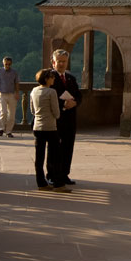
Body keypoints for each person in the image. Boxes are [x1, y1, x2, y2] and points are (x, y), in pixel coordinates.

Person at [30, 68, 72, 193]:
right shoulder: (51, 92)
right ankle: (59, 184)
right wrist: (63, 107)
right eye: (52, 77)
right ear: (47, 79)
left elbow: (32, 110)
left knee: (39, 156)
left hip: (37, 127)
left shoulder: (34, 91)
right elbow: (56, 113)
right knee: (55, 156)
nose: (54, 79)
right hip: (50, 127)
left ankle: (41, 183)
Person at [47, 48, 82, 186]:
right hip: (56, 118)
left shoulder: (70, 78)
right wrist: (63, 103)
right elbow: (47, 96)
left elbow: (79, 95)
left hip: (70, 118)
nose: (62, 64)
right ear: (53, 62)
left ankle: (64, 174)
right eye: (59, 61)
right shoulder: (49, 78)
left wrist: (75, 103)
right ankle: (52, 175)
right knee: (54, 147)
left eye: (64, 61)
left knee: (68, 147)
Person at [0, 56, 19, 138]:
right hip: (2, 94)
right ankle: (1, 128)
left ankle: (8, 131)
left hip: (11, 94)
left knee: (11, 114)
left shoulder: (14, 72)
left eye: (9, 64)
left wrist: (17, 93)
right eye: (6, 64)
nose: (7, 66)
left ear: (11, 64)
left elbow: (16, 83)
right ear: (3, 63)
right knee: (3, 112)